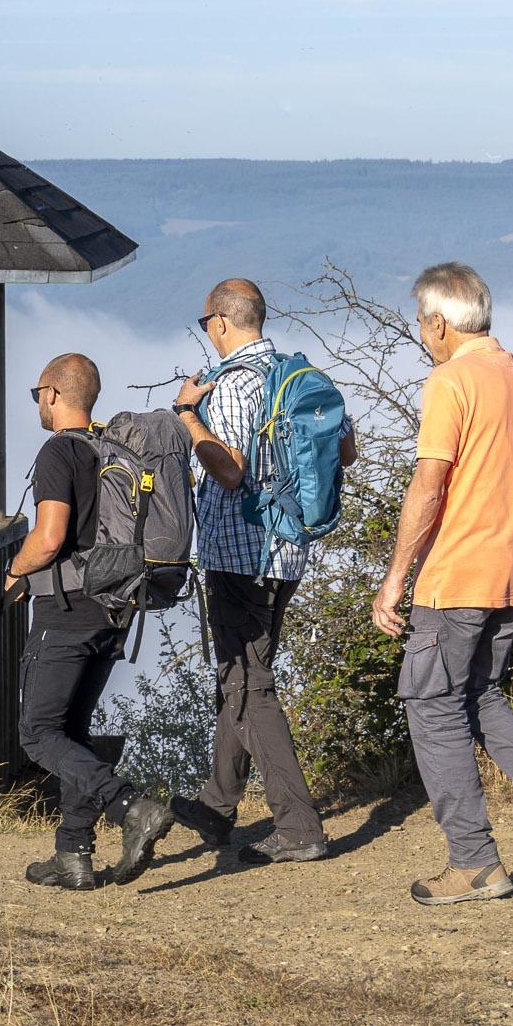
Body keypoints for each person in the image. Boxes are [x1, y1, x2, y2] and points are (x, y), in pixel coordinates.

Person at [373, 263, 513, 906]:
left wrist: (395, 578)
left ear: (439, 323)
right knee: (480, 694)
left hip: (458, 575)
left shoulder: (450, 381)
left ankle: (474, 862)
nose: (422, 335)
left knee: (431, 705)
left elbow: (429, 485)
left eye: (422, 324)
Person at [168, 277, 353, 865]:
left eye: (206, 322)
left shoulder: (230, 386)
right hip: (289, 550)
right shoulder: (298, 376)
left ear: (221, 322)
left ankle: (298, 826)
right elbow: (345, 452)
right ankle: (216, 805)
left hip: (238, 556)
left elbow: (229, 471)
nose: (207, 331)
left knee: (248, 683)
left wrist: (188, 416)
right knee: (244, 674)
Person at [6, 354, 176, 890]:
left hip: (67, 611)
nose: (38, 402)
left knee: (38, 734)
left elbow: (50, 537)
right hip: (115, 607)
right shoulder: (111, 450)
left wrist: (14, 572)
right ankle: (72, 853)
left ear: (53, 393)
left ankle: (131, 807)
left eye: (38, 392)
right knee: (73, 731)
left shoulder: (60, 450)